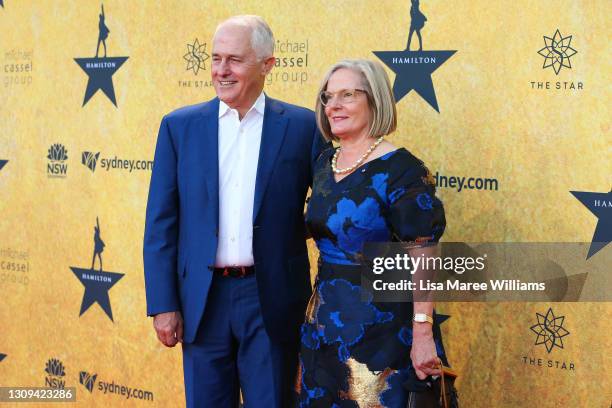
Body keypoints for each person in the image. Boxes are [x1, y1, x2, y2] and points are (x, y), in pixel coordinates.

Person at [143, 15, 326, 408]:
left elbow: (330, 205)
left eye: (235, 60)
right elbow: (161, 223)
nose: (221, 71)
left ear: (268, 65)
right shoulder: (179, 127)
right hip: (201, 304)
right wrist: (163, 304)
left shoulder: (302, 127)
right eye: (215, 58)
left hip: (273, 300)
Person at [297, 59, 453, 407]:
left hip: (382, 333)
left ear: (375, 100)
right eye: (327, 97)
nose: (333, 106)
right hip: (323, 328)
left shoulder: (404, 170)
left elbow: (424, 254)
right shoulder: (325, 163)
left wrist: (423, 332)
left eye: (347, 95)